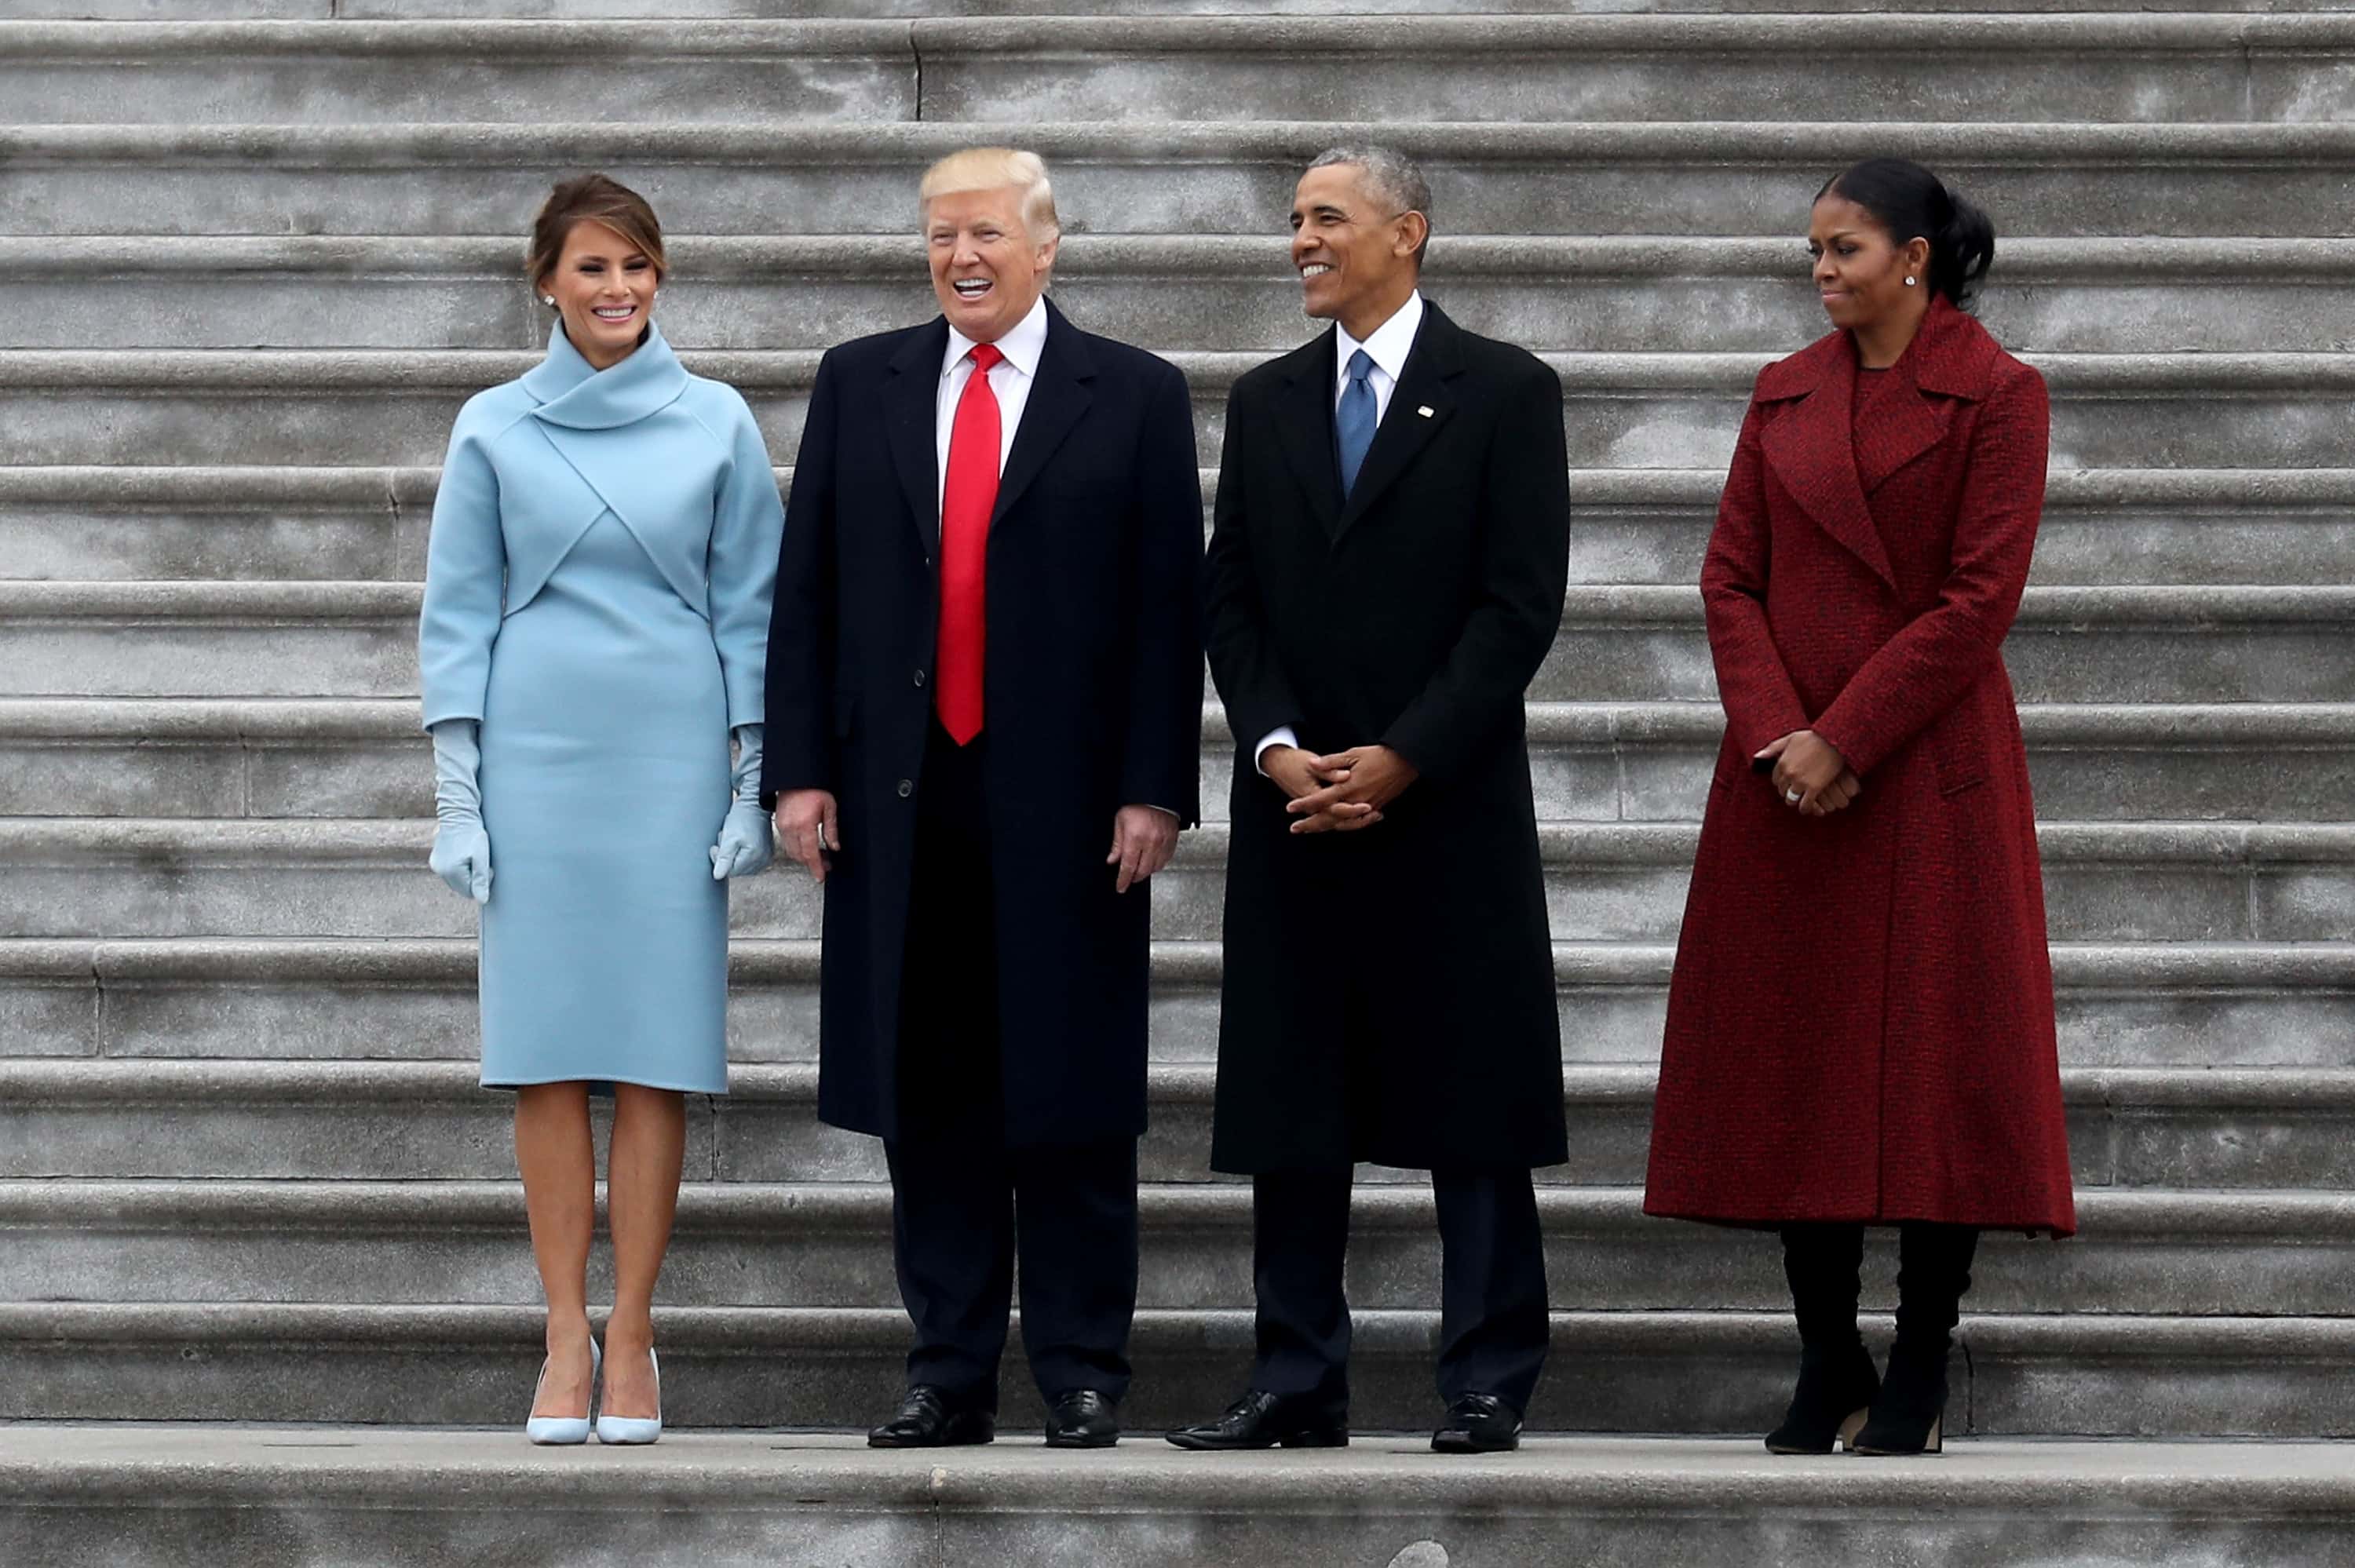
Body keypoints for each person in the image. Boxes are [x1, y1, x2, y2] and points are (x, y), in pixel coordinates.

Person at [761, 148, 1203, 1450]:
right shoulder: (863, 381)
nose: (961, 256)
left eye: (987, 235)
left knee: (1069, 1093)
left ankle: (1079, 1369)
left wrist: (1152, 789)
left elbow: (1165, 611)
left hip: (1070, 806)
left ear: (1047, 245)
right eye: (941, 234)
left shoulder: (1132, 394)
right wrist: (800, 769)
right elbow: (809, 591)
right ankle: (948, 1368)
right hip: (905, 797)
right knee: (932, 1088)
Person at [1643, 158, 2077, 1458]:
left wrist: (1847, 735)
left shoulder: (1999, 395)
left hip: (1925, 773)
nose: (1822, 271)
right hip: (1784, 779)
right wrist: (1783, 733)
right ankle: (1827, 1354)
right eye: (1813, 253)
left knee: (1937, 1071)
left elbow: (1976, 600)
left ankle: (1921, 1361)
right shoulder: (1782, 393)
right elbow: (1729, 579)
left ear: (1915, 260)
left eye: (1844, 250)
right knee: (1796, 1063)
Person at [1169, 145, 1570, 1457]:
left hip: (1444, 807)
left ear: (1408, 233)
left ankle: (1488, 1376)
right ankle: (1296, 1376)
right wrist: (1279, 746)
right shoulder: (1270, 398)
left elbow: (1519, 607)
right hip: (1299, 809)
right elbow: (1229, 596)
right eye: (1293, 220)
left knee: (1473, 1096)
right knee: (1295, 1103)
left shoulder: (1506, 391)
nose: (1301, 240)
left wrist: (1403, 757)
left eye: (1325, 219)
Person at [418, 173, 783, 1447]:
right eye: (592, 268)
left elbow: (755, 609)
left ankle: (634, 1334)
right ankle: (562, 1334)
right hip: (539, 758)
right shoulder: (493, 427)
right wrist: (459, 796)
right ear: (545, 282)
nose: (617, 290)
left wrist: (750, 781)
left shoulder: (718, 420)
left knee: (653, 1050)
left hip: (669, 758)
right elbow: (457, 613)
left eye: (637, 267)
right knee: (546, 1053)